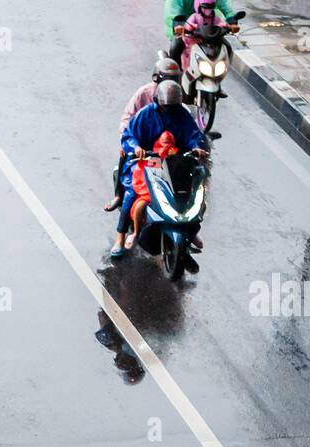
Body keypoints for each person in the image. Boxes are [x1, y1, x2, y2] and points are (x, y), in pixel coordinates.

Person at [111, 81, 207, 258]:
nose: (170, 110)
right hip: (147, 163)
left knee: (195, 194)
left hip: (176, 164)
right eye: (166, 107)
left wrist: (197, 147)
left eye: (173, 106)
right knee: (131, 194)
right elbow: (129, 135)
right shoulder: (145, 114)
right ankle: (121, 236)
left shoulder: (182, 115)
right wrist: (136, 148)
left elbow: (194, 136)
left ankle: (192, 230)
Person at [104, 58, 182, 213]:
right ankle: (119, 195)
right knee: (127, 162)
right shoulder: (144, 95)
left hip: (165, 145)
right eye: (168, 79)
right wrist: (134, 143)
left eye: (174, 79)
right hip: (143, 143)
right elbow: (128, 119)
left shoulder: (176, 95)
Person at [167, 0, 237, 64]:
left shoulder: (212, 16)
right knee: (175, 47)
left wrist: (232, 22)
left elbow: (225, 6)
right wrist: (180, 25)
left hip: (207, 31)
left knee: (227, 47)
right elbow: (176, 12)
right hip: (184, 27)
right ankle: (176, 74)